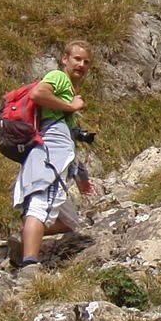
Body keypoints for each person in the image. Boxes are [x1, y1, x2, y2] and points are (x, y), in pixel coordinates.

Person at [11, 40, 97, 269]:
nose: (81, 65)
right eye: (77, 59)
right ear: (64, 59)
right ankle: (30, 264)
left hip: (54, 152)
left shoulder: (67, 88)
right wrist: (72, 107)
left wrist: (82, 179)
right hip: (50, 153)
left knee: (69, 221)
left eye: (86, 62)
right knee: (41, 204)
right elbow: (38, 94)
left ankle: (27, 234)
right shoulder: (59, 78)